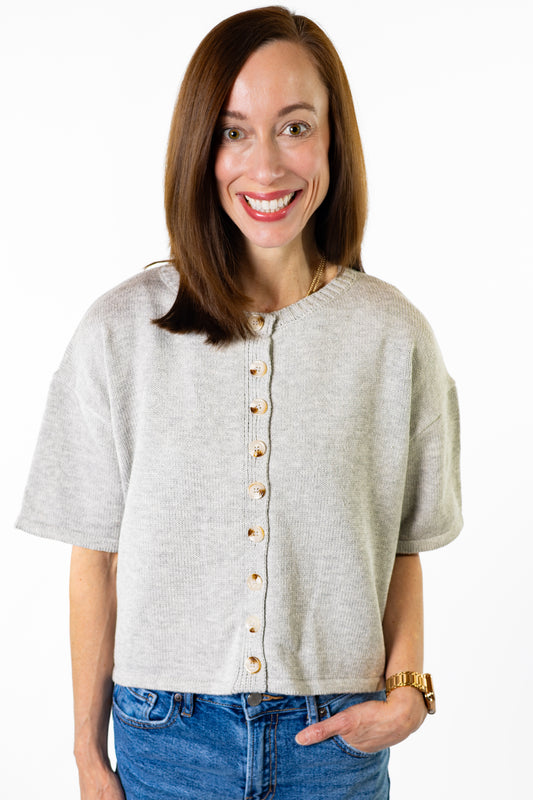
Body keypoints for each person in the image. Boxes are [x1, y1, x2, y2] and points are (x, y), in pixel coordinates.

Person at [16, 6, 462, 799]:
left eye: (295, 127)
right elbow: (96, 557)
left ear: (333, 141)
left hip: (335, 745)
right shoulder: (123, 331)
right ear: (198, 147)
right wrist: (88, 758)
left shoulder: (392, 336)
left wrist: (407, 693)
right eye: (232, 132)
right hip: (163, 741)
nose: (265, 166)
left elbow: (401, 545)